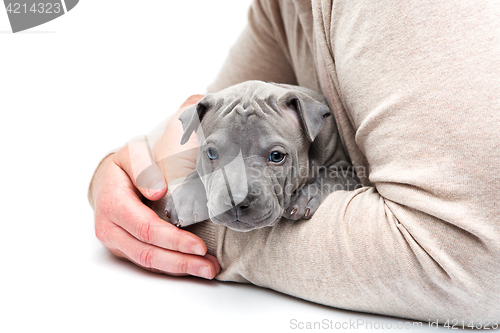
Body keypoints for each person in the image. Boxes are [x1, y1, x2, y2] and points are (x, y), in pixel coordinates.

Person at [88, 0, 500, 325]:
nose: (236, 191)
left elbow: (473, 268)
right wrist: (116, 175)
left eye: (275, 157)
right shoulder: (279, 8)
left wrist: (199, 228)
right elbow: (212, 121)